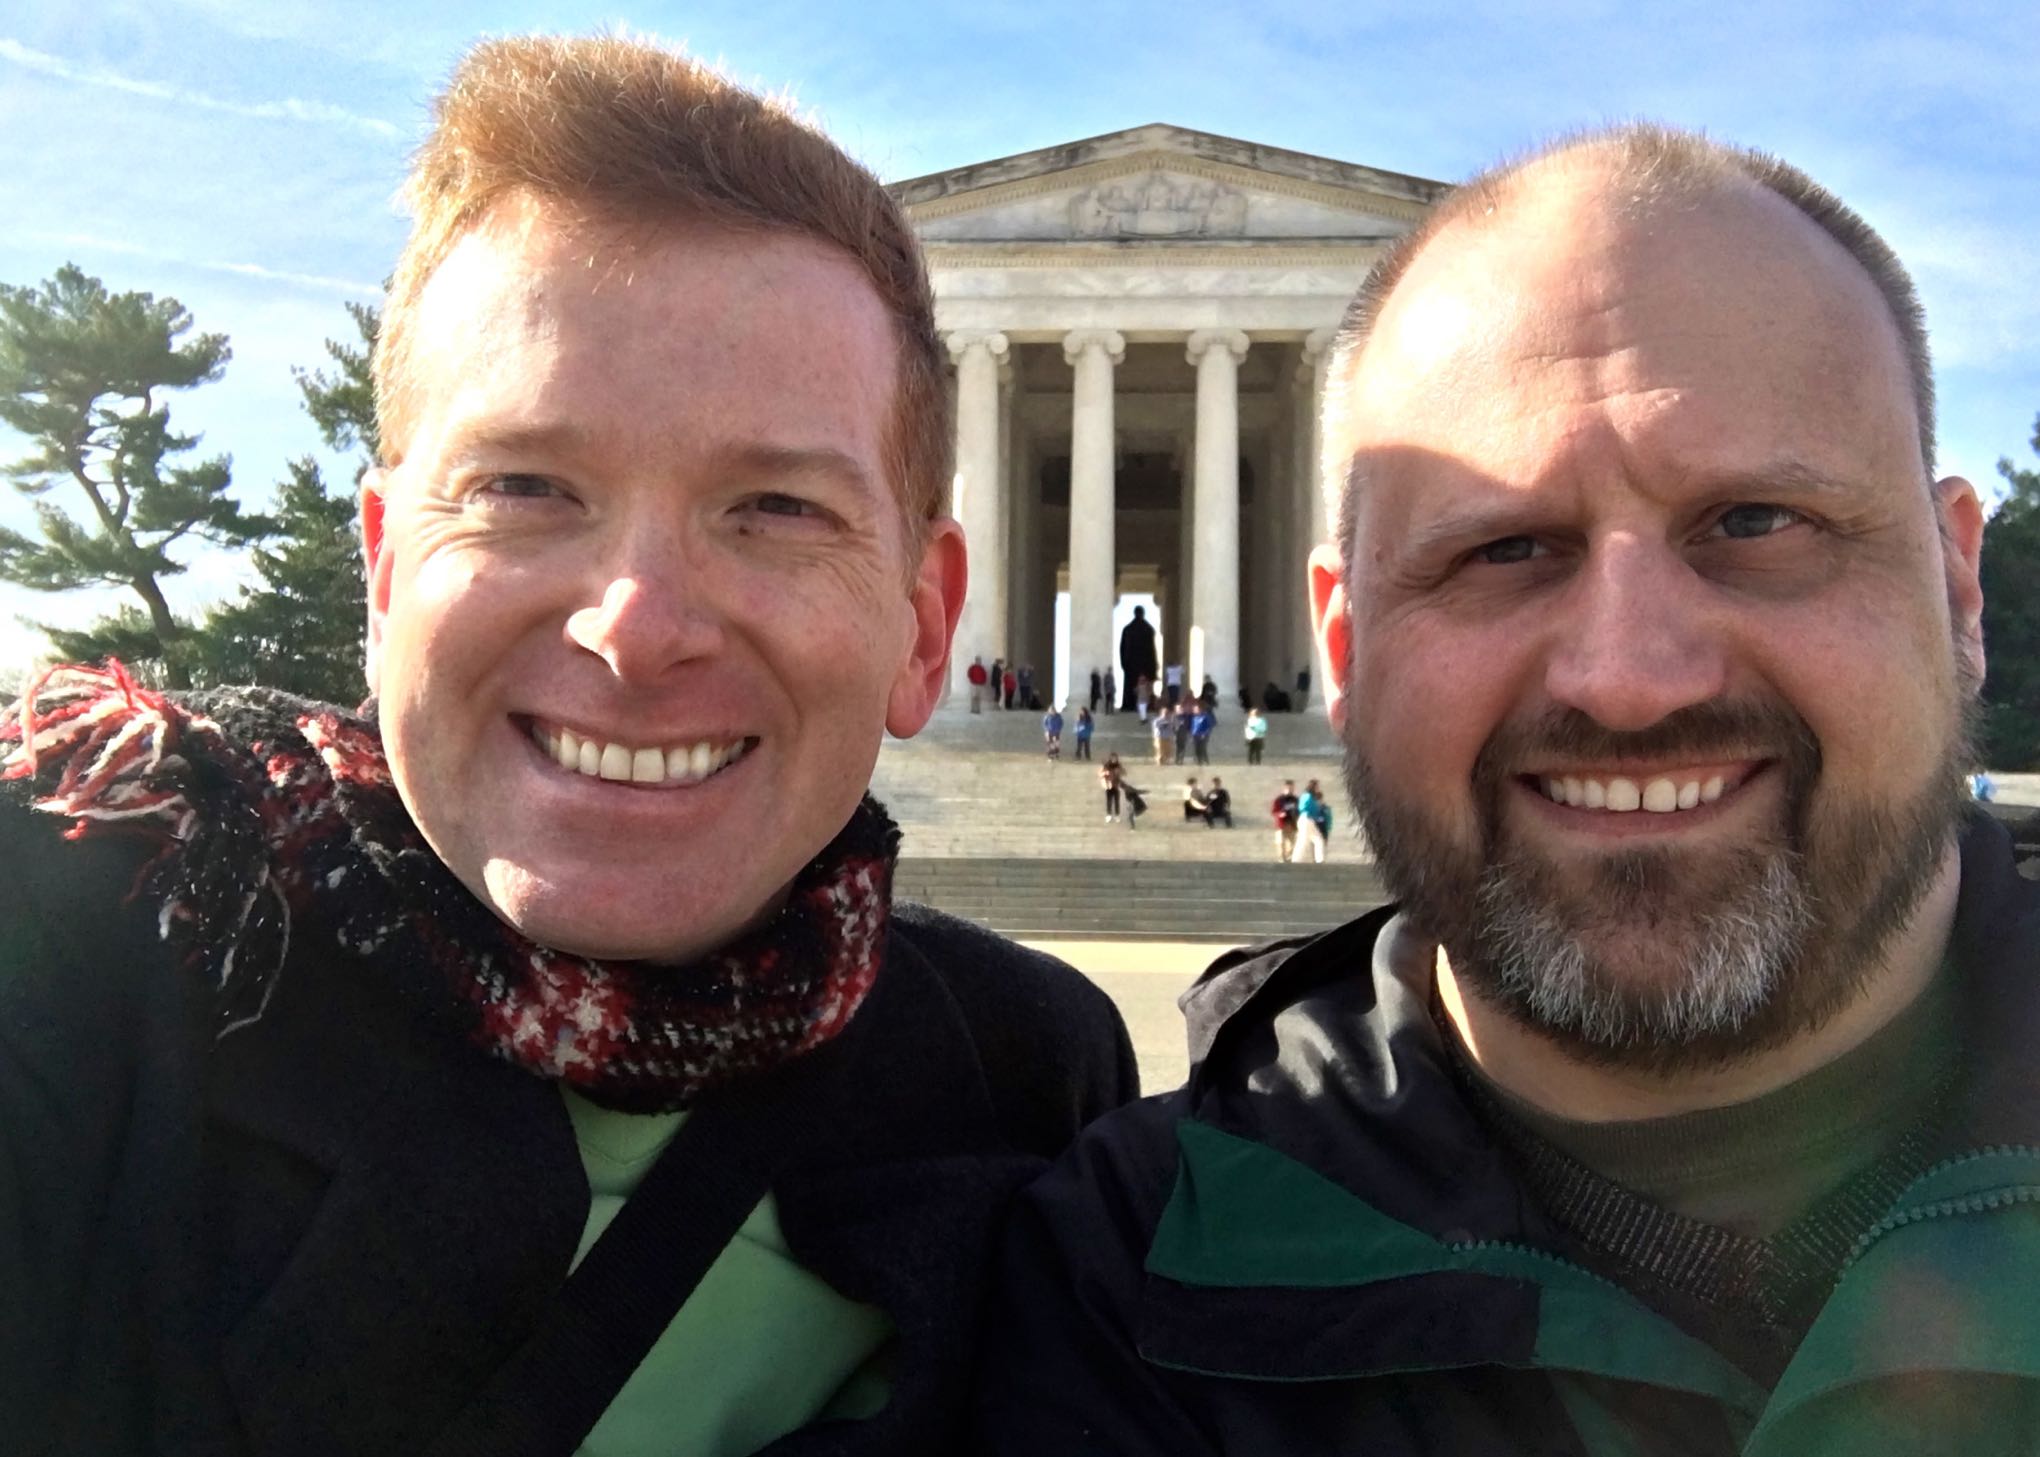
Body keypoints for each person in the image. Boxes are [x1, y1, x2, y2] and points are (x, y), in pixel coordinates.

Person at [0, 37, 1141, 1457]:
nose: (636, 627)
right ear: (383, 574)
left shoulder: (1030, 1077)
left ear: (924, 628)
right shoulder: (84, 954)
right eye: (527, 487)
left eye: (777, 508)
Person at [979, 123, 2029, 1454]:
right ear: (1346, 649)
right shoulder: (1117, 1284)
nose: (1629, 677)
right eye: (1505, 548)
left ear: (1956, 584)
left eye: (1758, 522)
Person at [1120, 606, 1158, 712]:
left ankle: (1129, 705)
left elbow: (1122, 649)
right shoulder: (1149, 629)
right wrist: (1153, 668)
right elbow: (1151, 650)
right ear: (1143, 613)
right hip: (1145, 665)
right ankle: (1145, 706)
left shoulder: (1127, 629)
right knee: (1144, 688)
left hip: (1131, 665)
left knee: (1131, 687)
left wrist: (1124, 663)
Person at [1293, 777, 1330, 863]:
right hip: (1307, 819)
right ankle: (1318, 859)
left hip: (1306, 820)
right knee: (1307, 840)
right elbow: (1304, 808)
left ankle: (1298, 859)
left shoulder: (1307, 796)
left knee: (1314, 839)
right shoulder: (1308, 796)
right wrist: (1317, 807)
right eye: (1317, 787)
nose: (1318, 789)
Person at [1270, 778, 1301, 864]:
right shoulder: (1279, 799)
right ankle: (1281, 860)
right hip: (1281, 824)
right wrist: (1280, 814)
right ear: (1285, 788)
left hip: (1292, 824)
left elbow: (1299, 811)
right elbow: (1273, 811)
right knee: (1280, 842)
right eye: (1289, 788)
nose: (1290, 790)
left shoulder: (1296, 800)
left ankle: (1289, 860)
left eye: (1292, 788)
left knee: (1291, 844)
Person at [1100, 751, 1125, 823]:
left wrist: (1119, 772)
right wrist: (1105, 773)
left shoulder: (1119, 765)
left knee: (1117, 801)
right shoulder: (1107, 765)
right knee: (1109, 801)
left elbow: (1123, 772)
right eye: (1112, 758)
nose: (1114, 759)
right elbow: (1101, 773)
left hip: (1116, 785)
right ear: (1110, 758)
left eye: (1115, 758)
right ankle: (1109, 815)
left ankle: (1117, 815)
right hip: (1108, 786)